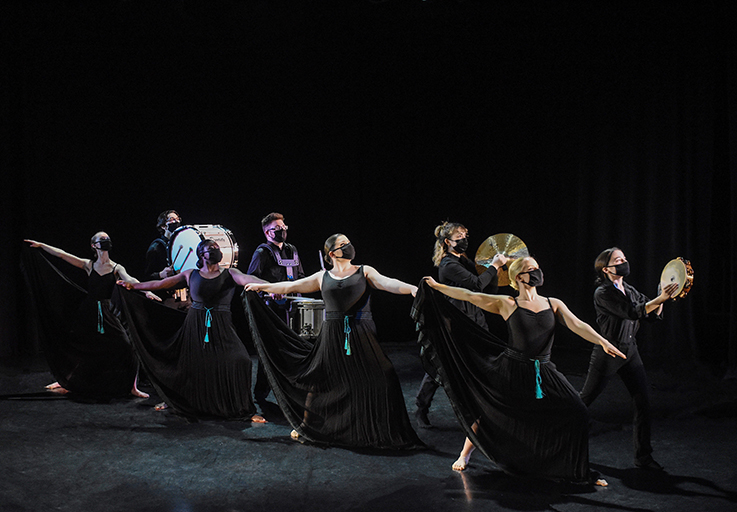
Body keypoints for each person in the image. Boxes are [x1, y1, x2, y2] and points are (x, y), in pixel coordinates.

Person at [418, 256, 626, 485]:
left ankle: (577, 470)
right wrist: (438, 287)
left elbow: (578, 325)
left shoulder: (552, 303)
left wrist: (602, 342)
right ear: (519, 277)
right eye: (531, 269)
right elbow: (471, 295)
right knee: (489, 414)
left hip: (543, 370)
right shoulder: (508, 303)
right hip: (513, 368)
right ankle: (465, 452)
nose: (537, 272)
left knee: (578, 412)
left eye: (538, 267)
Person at [243, 233, 423, 449]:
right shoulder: (322, 277)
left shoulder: (364, 271)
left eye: (348, 242)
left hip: (361, 332)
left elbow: (389, 283)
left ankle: (381, 425)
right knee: (320, 380)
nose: (348, 246)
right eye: (342, 244)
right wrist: (261, 287)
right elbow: (291, 286)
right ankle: (306, 425)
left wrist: (412, 288)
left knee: (383, 376)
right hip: (333, 333)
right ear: (332, 253)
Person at [117, 239, 267, 422]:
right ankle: (176, 401)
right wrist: (135, 286)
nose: (214, 251)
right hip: (195, 323)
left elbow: (249, 279)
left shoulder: (230, 273)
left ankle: (243, 408)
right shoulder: (191, 274)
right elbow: (161, 284)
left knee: (241, 360)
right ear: (201, 254)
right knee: (189, 364)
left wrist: (270, 286)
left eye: (216, 248)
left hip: (221, 324)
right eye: (210, 249)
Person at [579, 247, 679, 471]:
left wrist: (662, 297)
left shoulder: (630, 289)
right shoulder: (602, 293)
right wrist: (658, 299)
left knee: (643, 402)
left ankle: (643, 457)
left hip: (630, 351)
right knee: (583, 401)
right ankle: (552, 435)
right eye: (618, 260)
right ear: (606, 269)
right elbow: (633, 311)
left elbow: (650, 313)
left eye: (624, 258)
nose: (624, 261)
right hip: (608, 352)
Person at [23, 234, 157, 399]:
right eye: (102, 238)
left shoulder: (116, 268)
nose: (105, 240)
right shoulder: (89, 265)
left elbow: (131, 279)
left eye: (107, 238)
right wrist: (42, 245)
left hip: (107, 311)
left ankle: (133, 387)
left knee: (127, 346)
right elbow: (62, 255)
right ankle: (65, 381)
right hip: (88, 311)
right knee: (81, 347)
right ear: (94, 245)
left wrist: (147, 291)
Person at [414, 221, 508, 428]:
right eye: (460, 238)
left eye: (466, 237)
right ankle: (421, 407)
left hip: (473, 316)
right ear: (447, 242)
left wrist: (496, 268)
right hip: (456, 320)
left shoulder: (462, 260)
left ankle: (486, 410)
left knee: (483, 361)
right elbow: (476, 284)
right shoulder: (449, 265)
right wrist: (494, 266)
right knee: (443, 366)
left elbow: (483, 284)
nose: (464, 241)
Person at [246, 212, 306, 404]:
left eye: (283, 228)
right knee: (271, 351)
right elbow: (251, 278)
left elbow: (300, 276)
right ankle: (260, 396)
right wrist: (270, 290)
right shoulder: (262, 252)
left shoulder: (292, 250)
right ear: (267, 232)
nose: (282, 231)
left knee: (293, 352)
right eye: (277, 229)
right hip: (271, 309)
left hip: (293, 309)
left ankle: (292, 394)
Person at [144, 210, 186, 307]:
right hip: (167, 300)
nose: (176, 222)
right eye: (172, 219)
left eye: (177, 219)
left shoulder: (182, 244)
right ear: (163, 226)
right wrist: (160, 275)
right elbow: (146, 277)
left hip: (185, 297)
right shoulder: (156, 248)